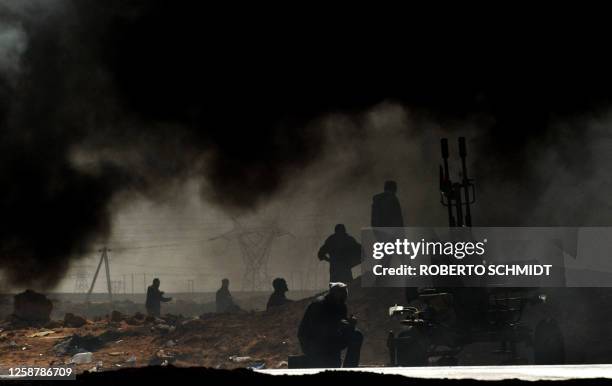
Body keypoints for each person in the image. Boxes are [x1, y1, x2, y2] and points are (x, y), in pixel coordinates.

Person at [298, 282, 363, 368]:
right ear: (334, 294)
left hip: (329, 339)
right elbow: (316, 329)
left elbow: (338, 326)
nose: (344, 296)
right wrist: (339, 324)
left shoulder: (341, 306)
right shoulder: (319, 304)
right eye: (342, 293)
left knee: (356, 335)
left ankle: (349, 367)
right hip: (313, 342)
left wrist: (350, 324)